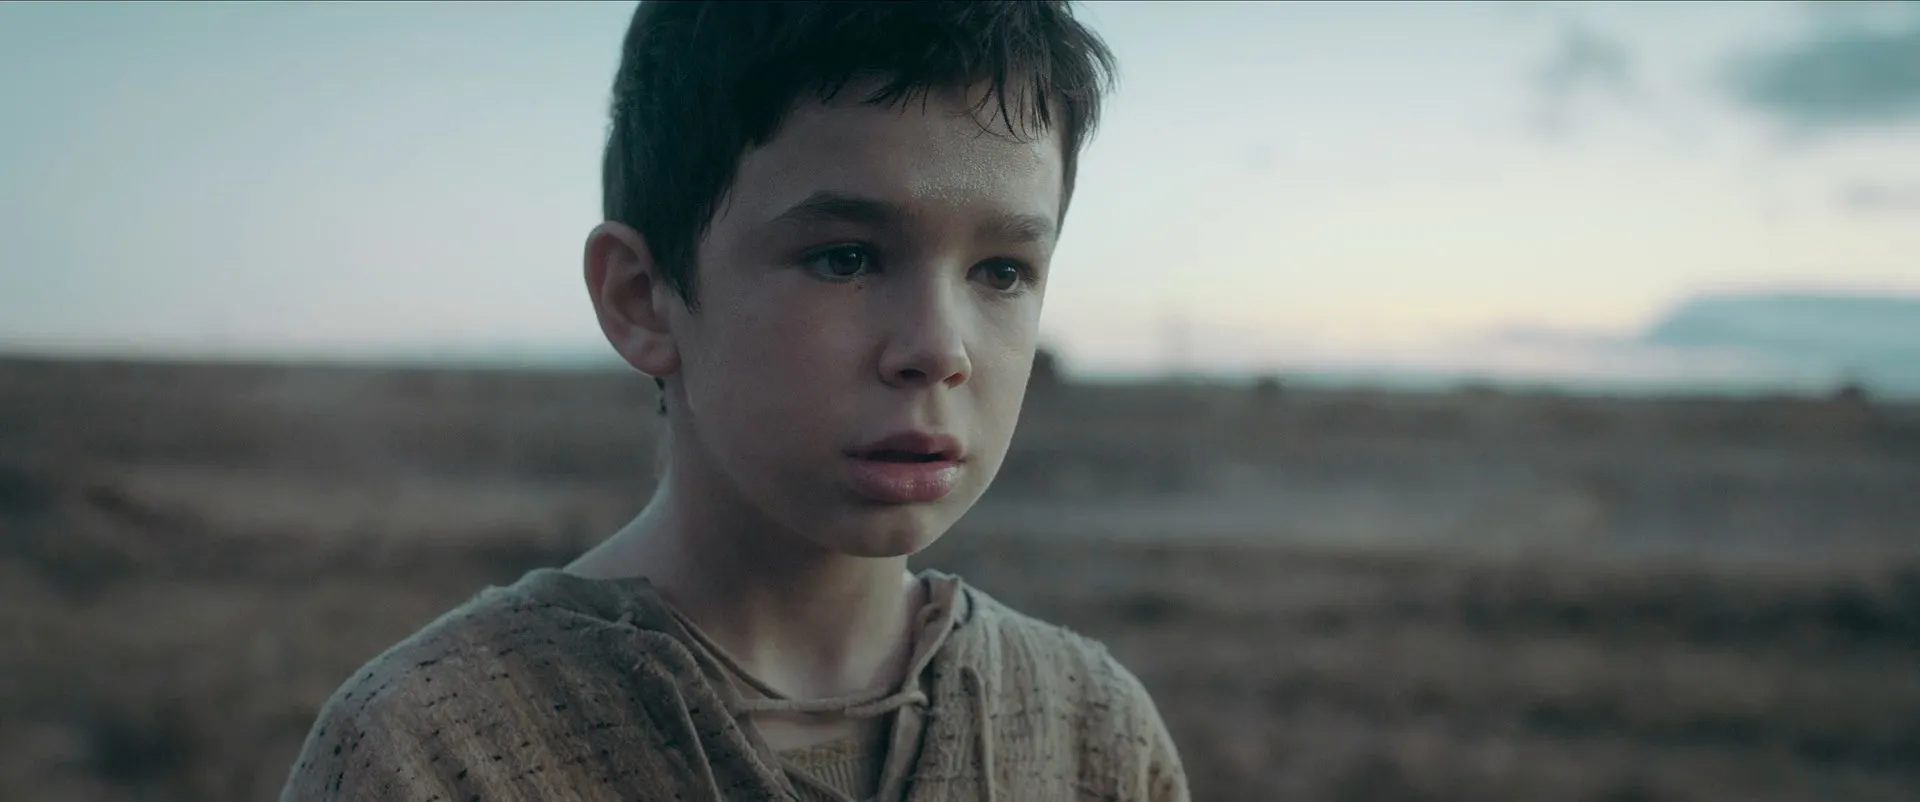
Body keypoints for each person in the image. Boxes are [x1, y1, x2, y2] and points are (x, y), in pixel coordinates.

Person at [280, 1, 1188, 799]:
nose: (938, 350)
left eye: (1001, 271)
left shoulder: (1093, 735)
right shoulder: (434, 754)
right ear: (642, 298)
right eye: (846, 258)